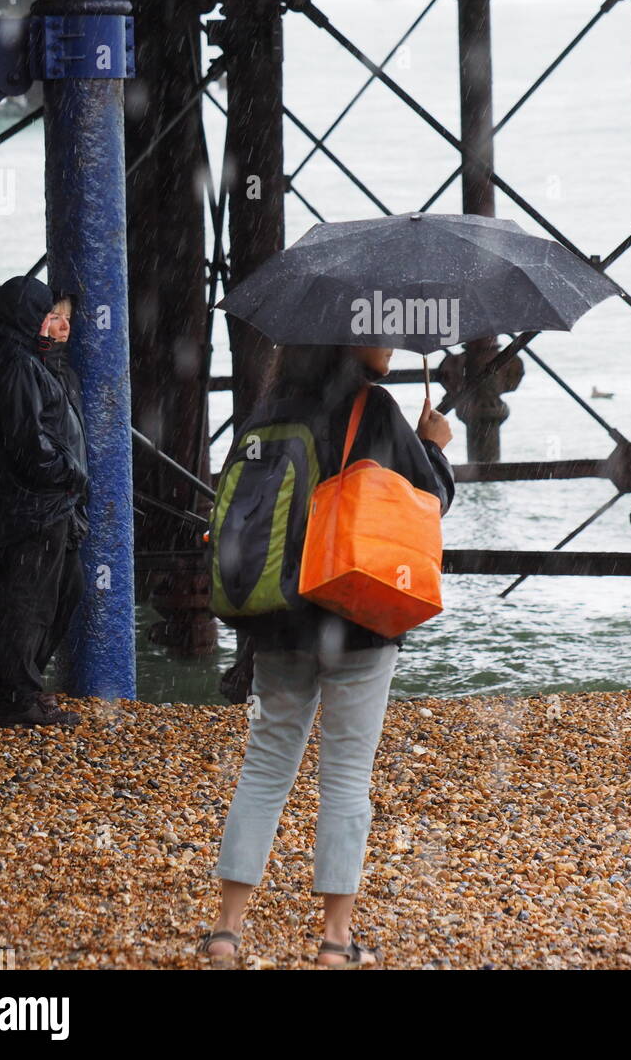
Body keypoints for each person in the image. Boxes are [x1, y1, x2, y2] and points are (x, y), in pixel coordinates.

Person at [200, 342, 454, 968]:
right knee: (344, 774)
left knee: (265, 766)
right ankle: (336, 943)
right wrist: (437, 448)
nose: (390, 343)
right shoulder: (373, 407)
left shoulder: (265, 413)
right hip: (357, 613)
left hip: (282, 618)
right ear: (350, 338)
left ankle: (227, 932)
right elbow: (429, 504)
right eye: (379, 330)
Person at [0, 277, 89, 728]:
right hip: (33, 505)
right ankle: (13, 697)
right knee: (28, 599)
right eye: (50, 316)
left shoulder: (19, 360)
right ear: (28, 316)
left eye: (64, 319)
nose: (59, 327)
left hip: (38, 503)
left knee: (61, 587)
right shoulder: (16, 364)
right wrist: (70, 474)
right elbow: (28, 443)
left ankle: (16, 686)